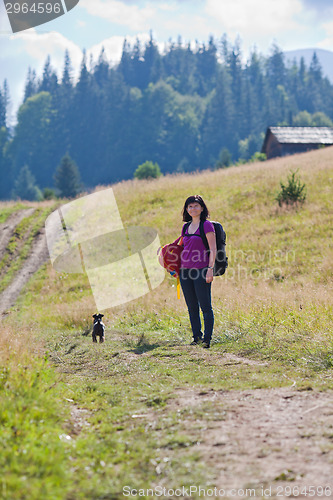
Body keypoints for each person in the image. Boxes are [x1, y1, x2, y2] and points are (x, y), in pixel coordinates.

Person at [179, 195, 216, 348]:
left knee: (205, 306)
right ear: (186, 210)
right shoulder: (185, 227)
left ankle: (207, 339)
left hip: (201, 270)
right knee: (192, 306)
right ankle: (196, 337)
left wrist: (210, 269)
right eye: (190, 206)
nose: (192, 209)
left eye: (195, 206)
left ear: (202, 208)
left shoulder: (206, 225)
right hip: (185, 271)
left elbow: (213, 249)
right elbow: (182, 248)